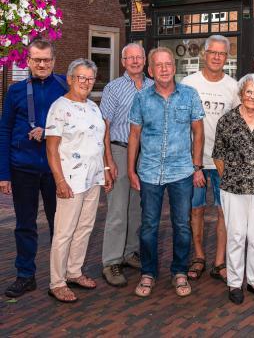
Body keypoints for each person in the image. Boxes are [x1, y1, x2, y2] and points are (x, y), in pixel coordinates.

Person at [128, 47, 205, 298]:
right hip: (149, 172)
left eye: (168, 64)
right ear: (150, 70)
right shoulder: (141, 98)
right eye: (158, 65)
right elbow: (135, 135)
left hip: (181, 171)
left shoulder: (189, 95)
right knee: (149, 226)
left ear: (174, 67)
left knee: (181, 225)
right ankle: (148, 273)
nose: (164, 69)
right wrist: (131, 170)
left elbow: (198, 133)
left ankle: (179, 271)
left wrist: (196, 167)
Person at [0, 39, 68, 298]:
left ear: (53, 60)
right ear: (28, 61)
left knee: (58, 224)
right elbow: (4, 131)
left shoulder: (65, 86)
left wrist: (49, 132)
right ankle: (25, 275)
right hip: (23, 168)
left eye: (47, 59)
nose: (42, 64)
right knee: (25, 224)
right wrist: (3, 173)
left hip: (56, 170)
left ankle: (58, 276)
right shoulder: (15, 91)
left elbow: (75, 127)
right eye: (37, 59)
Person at [46, 59, 113, 303]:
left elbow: (100, 142)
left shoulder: (94, 108)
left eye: (90, 78)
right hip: (70, 180)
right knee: (64, 232)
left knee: (85, 228)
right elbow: (51, 149)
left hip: (93, 179)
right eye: (80, 77)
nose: (85, 82)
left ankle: (74, 272)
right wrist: (59, 180)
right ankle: (57, 281)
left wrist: (105, 169)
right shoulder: (59, 107)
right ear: (70, 79)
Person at [213, 74, 254, 305]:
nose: (252, 96)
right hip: (233, 188)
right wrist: (235, 178)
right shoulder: (227, 121)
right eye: (248, 92)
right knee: (237, 236)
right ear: (241, 94)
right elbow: (219, 157)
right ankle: (234, 283)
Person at [181, 35, 238, 283]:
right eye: (212, 52)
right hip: (195, 162)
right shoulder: (188, 83)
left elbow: (238, 125)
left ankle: (219, 261)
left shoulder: (233, 86)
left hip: (223, 162)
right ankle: (199, 257)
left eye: (222, 53)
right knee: (196, 210)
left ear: (227, 57)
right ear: (204, 54)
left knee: (224, 212)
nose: (216, 57)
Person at [100, 43, 153, 287]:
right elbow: (105, 126)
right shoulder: (114, 88)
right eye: (129, 58)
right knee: (118, 210)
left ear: (144, 60)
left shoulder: (154, 86)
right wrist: (108, 161)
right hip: (120, 150)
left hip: (146, 155)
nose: (134, 61)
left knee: (136, 209)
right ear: (123, 62)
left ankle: (130, 252)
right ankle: (111, 261)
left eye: (138, 57)